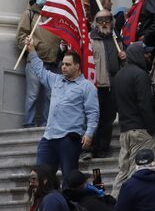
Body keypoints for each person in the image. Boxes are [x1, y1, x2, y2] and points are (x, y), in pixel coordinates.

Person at [25, 38, 100, 182]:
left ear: (77, 66)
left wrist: (89, 134)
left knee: (69, 179)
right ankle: (44, 204)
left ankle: (68, 204)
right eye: (63, 64)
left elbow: (93, 113)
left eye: (67, 64)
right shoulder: (56, 80)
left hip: (69, 139)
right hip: (49, 137)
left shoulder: (87, 87)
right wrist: (32, 50)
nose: (63, 67)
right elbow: (40, 71)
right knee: (41, 178)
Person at [111, 42, 155, 190]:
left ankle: (115, 203)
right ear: (137, 55)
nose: (148, 56)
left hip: (125, 130)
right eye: (145, 53)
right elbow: (145, 104)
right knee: (136, 172)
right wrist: (152, 128)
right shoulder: (140, 75)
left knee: (123, 172)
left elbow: (115, 104)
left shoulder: (118, 75)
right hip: (141, 131)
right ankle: (130, 207)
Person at [87, 10, 123, 158]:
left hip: (112, 86)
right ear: (96, 23)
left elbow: (123, 63)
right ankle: (89, 148)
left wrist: (123, 55)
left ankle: (103, 149)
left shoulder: (116, 39)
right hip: (96, 86)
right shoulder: (90, 39)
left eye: (107, 20)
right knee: (94, 118)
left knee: (108, 119)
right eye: (100, 21)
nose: (104, 24)